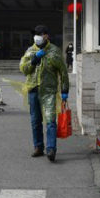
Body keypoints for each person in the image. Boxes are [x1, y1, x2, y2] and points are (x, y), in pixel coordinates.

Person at [20, 24, 69, 162]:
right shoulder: (30, 51)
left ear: (46, 35)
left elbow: (63, 72)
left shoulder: (54, 51)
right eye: (35, 34)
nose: (37, 36)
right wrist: (34, 60)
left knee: (50, 121)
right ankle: (38, 147)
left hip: (49, 91)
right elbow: (23, 69)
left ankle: (51, 149)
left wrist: (64, 91)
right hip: (33, 90)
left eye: (40, 34)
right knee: (35, 121)